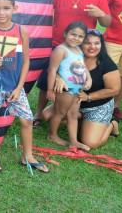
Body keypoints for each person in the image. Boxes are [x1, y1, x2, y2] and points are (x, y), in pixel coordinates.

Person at [0, 0, 48, 172]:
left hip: (15, 86)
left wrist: (20, 87)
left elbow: (25, 61)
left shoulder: (21, 31)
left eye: (6, 8)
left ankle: (28, 155)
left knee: (26, 119)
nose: (2, 13)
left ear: (14, 9)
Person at [34, 0, 111, 127]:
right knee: (47, 79)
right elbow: (38, 8)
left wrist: (100, 13)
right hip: (57, 45)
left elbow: (107, 22)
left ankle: (73, 114)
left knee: (78, 79)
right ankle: (39, 113)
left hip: (82, 48)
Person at [42, 29, 121, 149]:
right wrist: (58, 78)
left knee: (91, 143)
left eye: (96, 43)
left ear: (102, 45)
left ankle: (112, 124)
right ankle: (82, 122)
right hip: (74, 102)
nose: (92, 47)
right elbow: (53, 68)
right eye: (87, 43)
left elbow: (114, 90)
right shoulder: (74, 55)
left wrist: (88, 97)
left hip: (97, 106)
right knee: (47, 115)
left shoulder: (107, 64)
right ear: (80, 43)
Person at [46, 21, 92, 151]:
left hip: (78, 89)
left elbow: (83, 66)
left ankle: (74, 141)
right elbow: (52, 70)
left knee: (73, 114)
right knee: (60, 112)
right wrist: (50, 90)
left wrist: (89, 79)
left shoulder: (78, 50)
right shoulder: (60, 50)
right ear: (65, 33)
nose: (76, 38)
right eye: (73, 34)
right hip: (65, 89)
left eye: (80, 36)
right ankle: (52, 135)